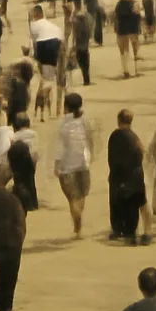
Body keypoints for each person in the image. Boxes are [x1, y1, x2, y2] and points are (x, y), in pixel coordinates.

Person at [107, 109, 152, 245]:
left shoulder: (116, 136)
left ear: (119, 120)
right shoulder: (134, 137)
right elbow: (143, 153)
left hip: (121, 176)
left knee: (118, 203)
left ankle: (121, 230)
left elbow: (112, 158)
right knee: (139, 204)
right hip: (136, 176)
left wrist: (113, 175)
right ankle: (142, 232)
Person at [55, 92, 94, 239]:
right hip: (83, 163)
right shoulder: (85, 121)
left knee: (72, 197)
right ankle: (78, 222)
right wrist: (91, 155)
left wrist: (56, 164)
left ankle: (77, 223)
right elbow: (90, 140)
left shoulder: (63, 124)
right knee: (82, 194)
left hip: (67, 167)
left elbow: (60, 146)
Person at [114, 0, 142, 78]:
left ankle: (126, 71)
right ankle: (136, 70)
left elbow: (116, 17)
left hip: (122, 29)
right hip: (133, 28)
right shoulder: (134, 3)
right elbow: (139, 16)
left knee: (124, 51)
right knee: (135, 49)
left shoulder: (119, 4)